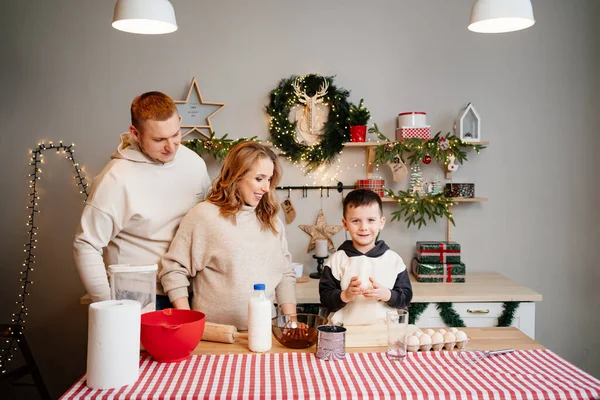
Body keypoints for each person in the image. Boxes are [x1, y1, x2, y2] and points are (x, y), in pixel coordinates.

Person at [73, 91, 211, 306]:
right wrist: (107, 305)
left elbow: (207, 221)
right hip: (136, 295)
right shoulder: (116, 179)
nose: (171, 146)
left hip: (188, 290)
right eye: (159, 139)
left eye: (175, 134)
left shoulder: (194, 163)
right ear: (135, 134)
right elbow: (86, 244)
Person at [159, 141, 297, 329]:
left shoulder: (272, 221)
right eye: (259, 179)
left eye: (269, 179)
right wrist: (188, 322)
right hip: (214, 337)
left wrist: (292, 322)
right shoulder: (204, 216)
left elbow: (285, 273)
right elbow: (173, 270)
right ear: (237, 177)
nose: (266, 188)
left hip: (264, 333)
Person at [319, 189, 412, 326]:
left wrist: (387, 294)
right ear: (345, 224)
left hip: (384, 332)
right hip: (344, 332)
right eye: (356, 221)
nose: (363, 227)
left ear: (381, 223)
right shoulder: (336, 261)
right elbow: (325, 299)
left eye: (371, 220)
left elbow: (406, 297)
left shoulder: (394, 261)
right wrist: (345, 295)